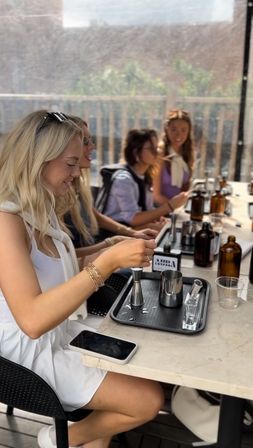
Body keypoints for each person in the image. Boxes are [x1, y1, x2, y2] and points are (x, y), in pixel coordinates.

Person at [0, 110, 164, 448]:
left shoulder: (40, 204)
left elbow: (51, 266)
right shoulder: (6, 221)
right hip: (24, 353)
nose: (80, 172)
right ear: (37, 160)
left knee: (144, 361)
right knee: (146, 399)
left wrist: (108, 245)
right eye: (71, 164)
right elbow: (31, 320)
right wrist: (105, 264)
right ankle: (58, 438)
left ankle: (82, 442)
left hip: (58, 331)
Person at [62, 117, 158, 259]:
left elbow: (92, 213)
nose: (93, 146)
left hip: (92, 248)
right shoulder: (58, 191)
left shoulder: (76, 183)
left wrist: (130, 233)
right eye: (85, 142)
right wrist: (112, 244)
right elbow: (66, 258)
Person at [101, 128, 173, 232]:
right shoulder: (124, 180)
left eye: (156, 147)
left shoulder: (144, 176)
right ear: (136, 152)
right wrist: (169, 206)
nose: (157, 152)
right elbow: (133, 218)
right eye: (151, 148)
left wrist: (156, 217)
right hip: (114, 233)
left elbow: (146, 209)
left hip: (133, 229)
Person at [153, 109, 194, 207]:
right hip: (160, 209)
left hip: (178, 207)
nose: (178, 134)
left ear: (188, 132)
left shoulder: (186, 153)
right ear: (166, 129)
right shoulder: (160, 153)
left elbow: (185, 188)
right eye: (174, 129)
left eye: (183, 130)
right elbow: (156, 196)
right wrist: (175, 208)